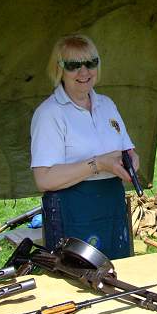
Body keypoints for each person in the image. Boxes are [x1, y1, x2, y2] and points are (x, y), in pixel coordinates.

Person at [30, 34, 139, 260]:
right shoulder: (50, 113)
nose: (84, 72)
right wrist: (97, 164)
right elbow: (44, 179)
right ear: (59, 70)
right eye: (73, 66)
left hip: (112, 205)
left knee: (120, 272)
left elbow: (128, 150)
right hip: (72, 211)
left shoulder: (107, 105)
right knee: (76, 280)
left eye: (91, 63)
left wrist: (132, 162)